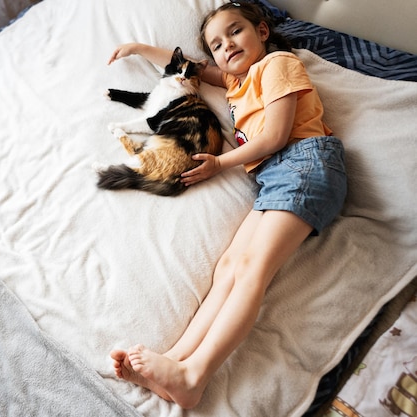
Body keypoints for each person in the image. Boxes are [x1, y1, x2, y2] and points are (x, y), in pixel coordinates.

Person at [108, 2, 347, 409]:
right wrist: (139, 47)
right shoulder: (236, 83)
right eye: (217, 44)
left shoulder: (277, 65)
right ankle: (175, 358)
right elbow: (191, 66)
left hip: (307, 162)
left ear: (262, 32)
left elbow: (274, 136)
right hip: (277, 176)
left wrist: (219, 163)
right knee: (228, 269)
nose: (227, 45)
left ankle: (194, 375)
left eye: (235, 32)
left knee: (254, 269)